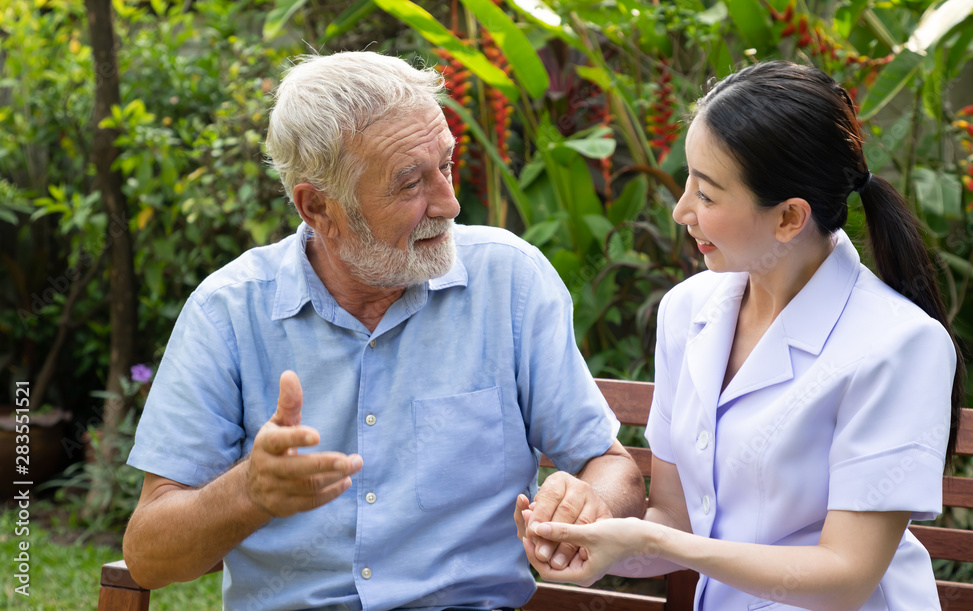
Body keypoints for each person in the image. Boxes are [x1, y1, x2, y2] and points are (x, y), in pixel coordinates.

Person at [122, 51, 645, 611]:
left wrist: (588, 502)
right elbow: (149, 556)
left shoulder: (510, 281)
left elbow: (614, 468)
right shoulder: (228, 312)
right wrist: (248, 492)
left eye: (445, 165)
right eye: (409, 184)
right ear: (318, 207)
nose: (448, 202)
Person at [518, 61, 965, 610]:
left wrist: (654, 539)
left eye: (706, 195)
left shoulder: (900, 346)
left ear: (788, 219)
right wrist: (585, 534)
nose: (682, 210)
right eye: (688, 182)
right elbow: (675, 520)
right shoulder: (688, 310)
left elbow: (847, 574)